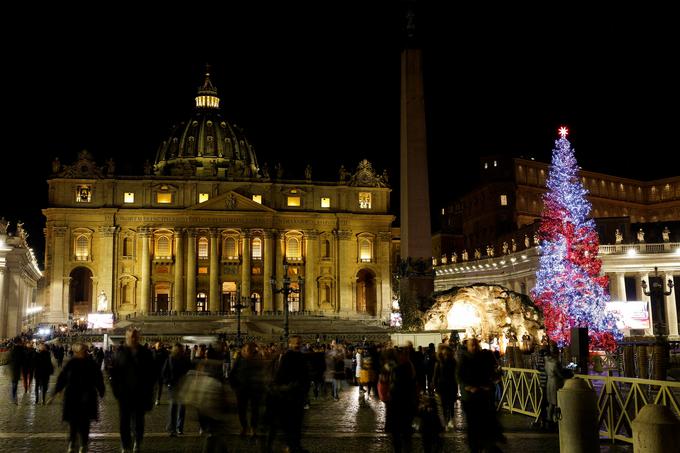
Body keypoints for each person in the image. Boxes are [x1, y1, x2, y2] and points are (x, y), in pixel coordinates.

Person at [50, 343, 105, 453]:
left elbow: (98, 378)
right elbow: (63, 377)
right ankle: (72, 441)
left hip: (85, 396)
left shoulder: (90, 364)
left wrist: (101, 389)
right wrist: (57, 390)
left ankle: (83, 443)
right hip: (73, 396)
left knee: (84, 422)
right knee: (73, 422)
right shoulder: (73, 363)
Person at [110, 328, 155, 453]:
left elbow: (152, 375)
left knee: (139, 421)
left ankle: (137, 441)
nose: (133, 339)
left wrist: (150, 393)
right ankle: (125, 445)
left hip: (140, 394)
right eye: (131, 336)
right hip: (124, 394)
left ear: (138, 337)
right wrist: (116, 391)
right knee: (124, 422)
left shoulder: (146, 353)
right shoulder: (119, 352)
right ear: (126, 337)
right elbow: (113, 373)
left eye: (135, 336)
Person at [457, 338, 504, 453]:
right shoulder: (464, 359)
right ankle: (477, 445)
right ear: (467, 347)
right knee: (473, 424)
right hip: (470, 398)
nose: (473, 347)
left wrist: (489, 383)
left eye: (475, 345)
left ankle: (488, 441)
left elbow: (491, 371)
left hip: (483, 395)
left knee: (486, 420)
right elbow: (460, 376)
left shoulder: (484, 357)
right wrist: (468, 387)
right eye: (471, 345)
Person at [266, 335, 310, 453]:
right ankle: (291, 445)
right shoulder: (288, 357)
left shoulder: (299, 356)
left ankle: (294, 445)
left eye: (299, 342)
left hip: (297, 394)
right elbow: (281, 375)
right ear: (290, 344)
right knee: (292, 422)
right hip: (290, 395)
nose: (297, 344)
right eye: (295, 342)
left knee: (296, 423)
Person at [230, 342, 266, 437]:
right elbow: (232, 373)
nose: (248, 351)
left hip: (255, 389)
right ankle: (244, 427)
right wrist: (234, 386)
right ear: (244, 350)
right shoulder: (239, 359)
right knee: (242, 409)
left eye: (250, 349)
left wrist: (262, 386)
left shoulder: (258, 358)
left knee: (255, 410)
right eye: (247, 350)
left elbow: (262, 373)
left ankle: (253, 428)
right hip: (241, 389)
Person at [161, 343, 191, 436]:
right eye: (179, 349)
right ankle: (172, 429)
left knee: (181, 408)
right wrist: (168, 382)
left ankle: (179, 428)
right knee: (173, 408)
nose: (180, 351)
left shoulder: (185, 359)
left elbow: (189, 370)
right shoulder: (170, 359)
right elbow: (164, 372)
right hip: (173, 385)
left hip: (183, 385)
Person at [544, 345, 565, 430]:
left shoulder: (547, 362)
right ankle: (557, 420)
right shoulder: (555, 362)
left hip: (549, 382)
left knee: (551, 403)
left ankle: (549, 421)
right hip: (555, 382)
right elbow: (559, 374)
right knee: (557, 402)